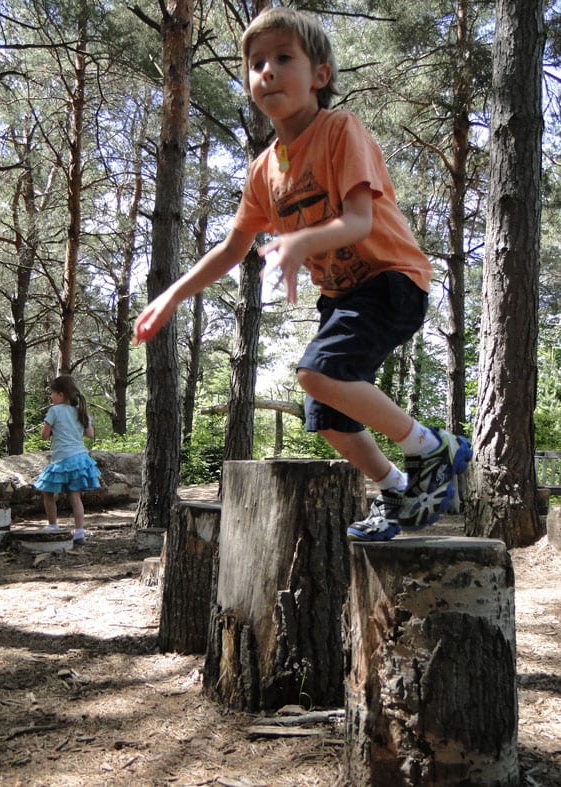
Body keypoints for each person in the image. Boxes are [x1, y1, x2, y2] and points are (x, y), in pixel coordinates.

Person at [133, 7, 472, 541]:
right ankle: (399, 488)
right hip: (342, 296)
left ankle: (434, 447)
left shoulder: (340, 129)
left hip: (392, 279)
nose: (266, 71)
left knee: (318, 373)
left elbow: (359, 220)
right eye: (255, 63)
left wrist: (301, 240)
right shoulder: (264, 169)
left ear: (321, 75)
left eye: (283, 58)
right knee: (328, 417)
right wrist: (172, 295)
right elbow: (230, 249)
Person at [33, 375, 100, 544]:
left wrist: (57, 430)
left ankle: (53, 525)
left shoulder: (54, 411)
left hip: (62, 458)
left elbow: (44, 435)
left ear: (61, 395)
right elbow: (90, 434)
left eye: (52, 394)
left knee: (47, 492)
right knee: (75, 496)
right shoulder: (80, 411)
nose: (51, 397)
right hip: (80, 458)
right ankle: (79, 533)